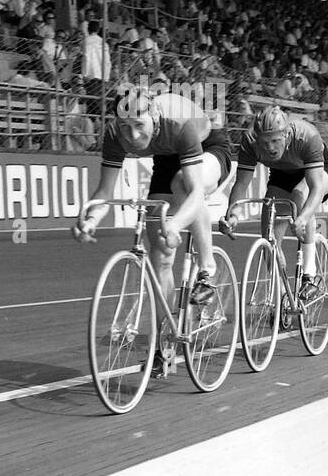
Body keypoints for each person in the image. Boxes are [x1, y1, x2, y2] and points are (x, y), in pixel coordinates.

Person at [73, 87, 234, 379]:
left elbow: (197, 191)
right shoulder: (114, 134)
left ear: (155, 116)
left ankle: (207, 268)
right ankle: (166, 342)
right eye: (126, 127)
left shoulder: (178, 124)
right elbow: (104, 191)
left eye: (139, 125)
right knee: (160, 256)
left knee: (182, 186)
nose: (132, 136)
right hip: (166, 155)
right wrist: (91, 218)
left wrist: (174, 224)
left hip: (206, 147)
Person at [223, 105, 328, 309]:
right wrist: (233, 214)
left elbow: (316, 187)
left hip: (316, 171)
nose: (270, 148)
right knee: (269, 234)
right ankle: (282, 296)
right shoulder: (250, 142)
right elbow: (241, 184)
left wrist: (303, 218)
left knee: (301, 195)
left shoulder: (306, 136)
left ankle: (310, 274)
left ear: (286, 134)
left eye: (275, 141)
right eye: (265, 142)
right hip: (281, 174)